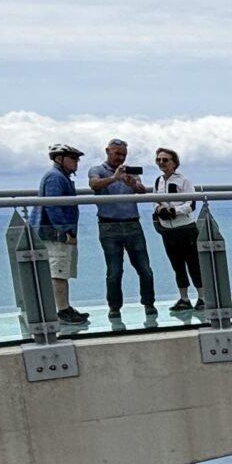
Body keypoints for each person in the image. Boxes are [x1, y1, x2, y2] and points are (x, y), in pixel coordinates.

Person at [88, 138, 156, 325]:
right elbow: (94, 185)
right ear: (107, 151)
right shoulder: (97, 170)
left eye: (123, 155)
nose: (120, 158)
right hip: (109, 226)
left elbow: (141, 191)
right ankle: (114, 308)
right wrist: (114, 178)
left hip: (133, 225)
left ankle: (149, 304)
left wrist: (133, 184)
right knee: (115, 271)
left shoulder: (128, 171)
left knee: (145, 269)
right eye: (117, 154)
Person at [30, 142, 89, 326]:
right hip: (55, 234)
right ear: (59, 158)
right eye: (73, 158)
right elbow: (54, 206)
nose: (77, 162)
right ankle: (63, 311)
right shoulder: (55, 177)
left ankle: (65, 307)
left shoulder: (59, 176)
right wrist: (66, 232)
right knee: (59, 272)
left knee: (61, 271)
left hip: (56, 233)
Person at [150, 146, 203, 315]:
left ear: (174, 163)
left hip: (186, 229)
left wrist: (175, 211)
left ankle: (202, 298)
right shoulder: (158, 181)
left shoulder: (184, 181)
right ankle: (184, 299)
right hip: (168, 230)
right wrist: (159, 211)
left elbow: (191, 203)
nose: (161, 163)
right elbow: (154, 200)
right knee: (177, 265)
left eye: (165, 160)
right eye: (159, 160)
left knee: (194, 264)